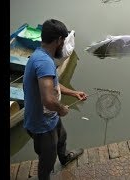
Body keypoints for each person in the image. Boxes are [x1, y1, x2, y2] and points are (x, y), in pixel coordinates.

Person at [23, 19, 87, 180]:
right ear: (58, 40)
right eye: (63, 41)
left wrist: (73, 93)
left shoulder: (41, 55)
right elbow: (48, 101)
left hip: (49, 118)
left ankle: (64, 158)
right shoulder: (44, 63)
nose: (64, 45)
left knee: (62, 137)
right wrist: (62, 109)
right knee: (47, 162)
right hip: (41, 125)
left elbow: (54, 85)